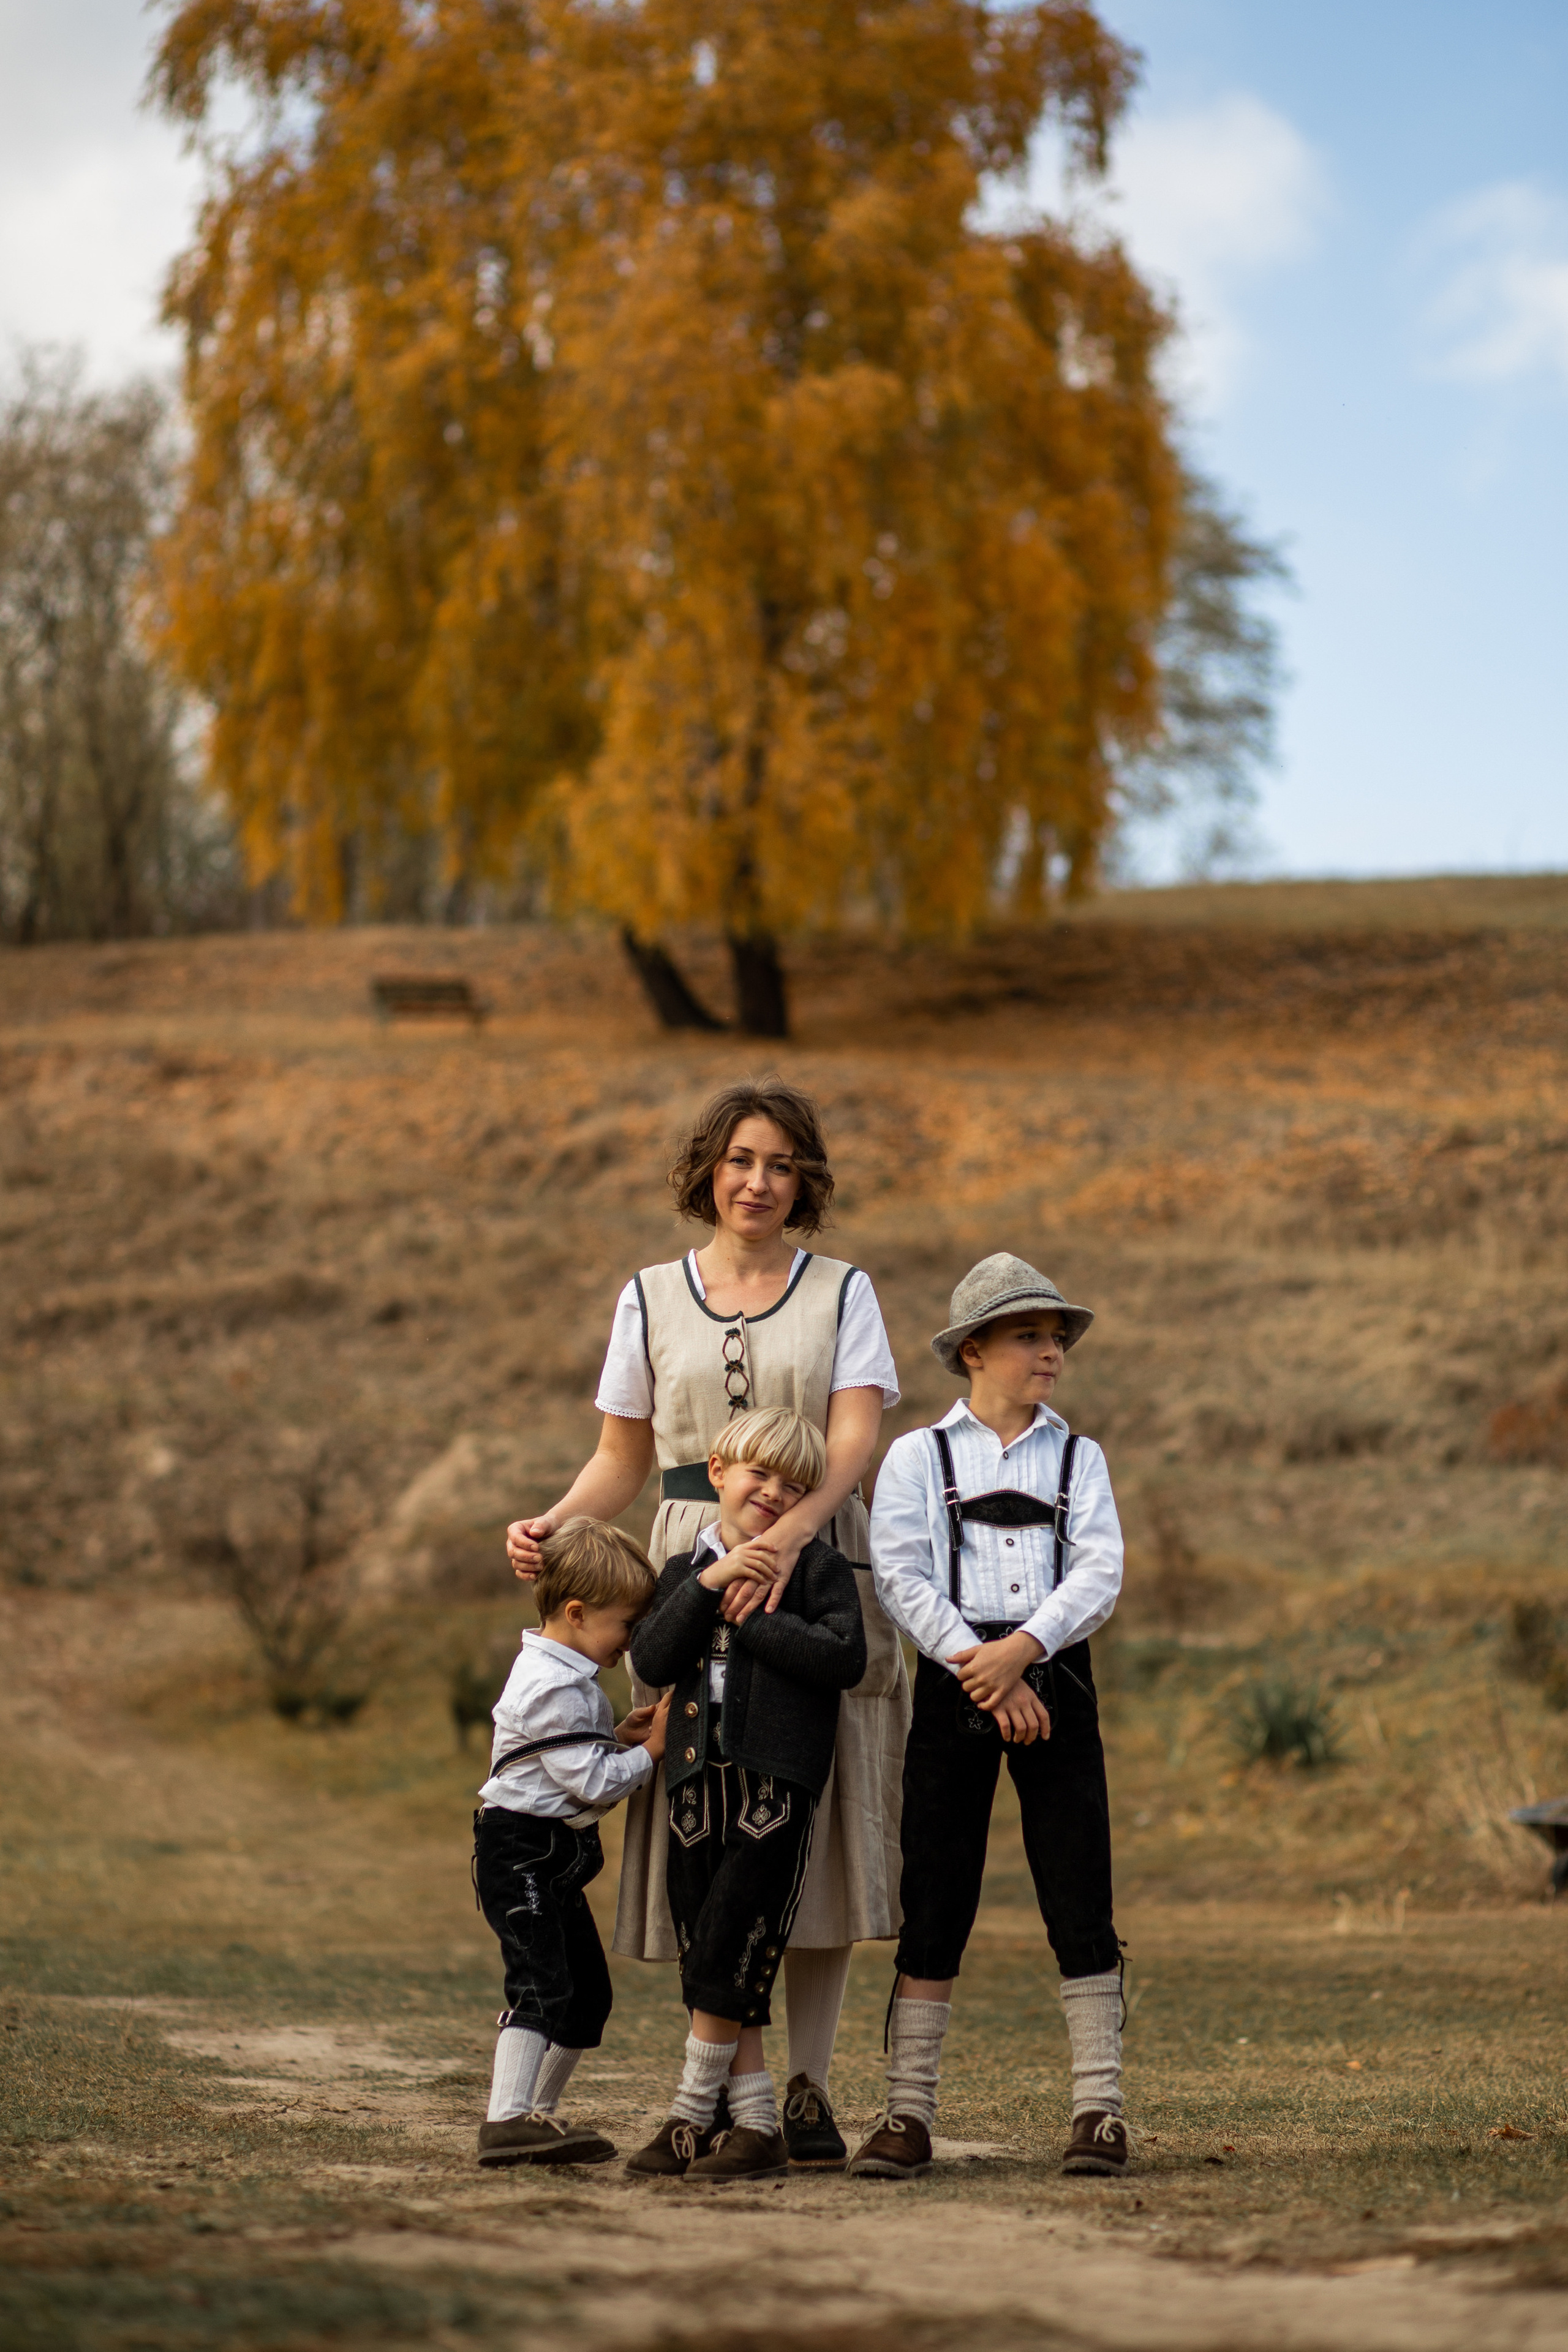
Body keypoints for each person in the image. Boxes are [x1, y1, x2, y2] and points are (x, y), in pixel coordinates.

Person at [507, 1079, 908, 2168]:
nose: (759, 1182)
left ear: (806, 1181)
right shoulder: (648, 1296)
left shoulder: (843, 1291)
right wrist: (555, 1520)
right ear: (709, 1171)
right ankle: (742, 2100)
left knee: (811, 1835)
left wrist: (793, 1540)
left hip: (819, 1553)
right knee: (711, 1825)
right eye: (740, 1160)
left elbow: (856, 1441)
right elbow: (622, 1457)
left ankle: (812, 2091)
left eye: (782, 1164)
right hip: (694, 1553)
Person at [848, 1253, 1129, 2181]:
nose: (1050, 1352)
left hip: (1056, 1679)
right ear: (974, 1351)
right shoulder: (915, 1458)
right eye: (1029, 1336)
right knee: (938, 1891)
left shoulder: (1078, 1456)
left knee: (1078, 1886)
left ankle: (1100, 2110)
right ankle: (906, 2114)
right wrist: (985, 1668)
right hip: (956, 1682)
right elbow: (901, 1576)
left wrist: (1024, 1653)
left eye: (1056, 1338)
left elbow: (1098, 1572)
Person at [623, 1406, 867, 2182]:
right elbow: (654, 1658)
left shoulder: (818, 1569)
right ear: (719, 1472)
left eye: (795, 1486)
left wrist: (755, 1619)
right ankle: (757, 2125)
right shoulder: (681, 1571)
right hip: (695, 1781)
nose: (773, 1492)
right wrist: (712, 1583)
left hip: (775, 1785)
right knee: (705, 1938)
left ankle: (692, 2113)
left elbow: (845, 1660)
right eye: (759, 1473)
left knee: (740, 1929)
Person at [472, 1518, 669, 2169]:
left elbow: (563, 1760)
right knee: (539, 1985)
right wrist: (652, 1756)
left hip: (549, 1856)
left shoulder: (568, 1678)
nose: (632, 1640)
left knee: (586, 1997)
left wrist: (620, 1736)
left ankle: (538, 2117)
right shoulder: (552, 1684)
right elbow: (587, 1785)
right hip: (520, 1849)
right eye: (626, 1625)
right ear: (578, 1613)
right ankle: (506, 2119)